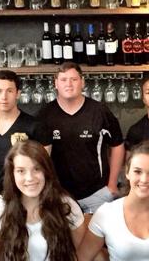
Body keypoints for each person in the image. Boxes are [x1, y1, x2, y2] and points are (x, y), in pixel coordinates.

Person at [37, 62, 124, 214]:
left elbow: (117, 145)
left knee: (98, 231)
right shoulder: (44, 115)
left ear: (82, 82)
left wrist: (112, 184)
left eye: (74, 79)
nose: (69, 84)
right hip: (59, 195)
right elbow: (38, 156)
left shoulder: (99, 111)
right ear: (55, 84)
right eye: (63, 80)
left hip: (97, 194)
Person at [0, 70, 50, 213]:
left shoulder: (35, 126)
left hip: (25, 198)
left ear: (18, 93)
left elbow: (44, 169)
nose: (4, 97)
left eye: (9, 91)